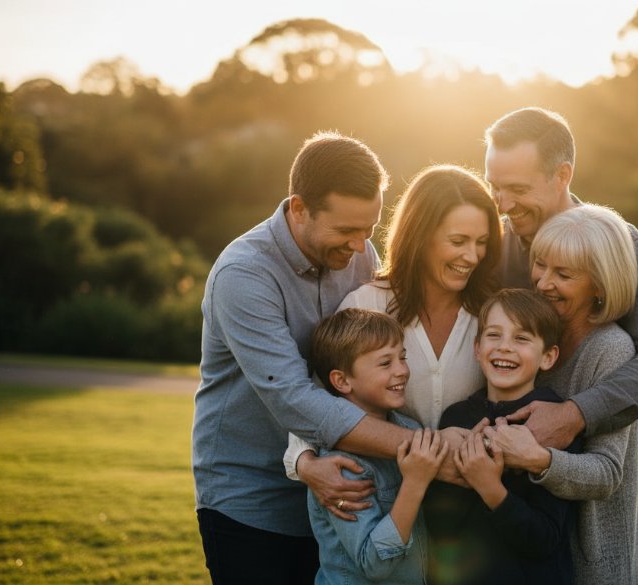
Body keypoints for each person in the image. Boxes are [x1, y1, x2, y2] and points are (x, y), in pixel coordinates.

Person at [192, 132, 464, 585]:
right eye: (345, 231)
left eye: (369, 230)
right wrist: (425, 454)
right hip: (253, 498)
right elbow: (293, 396)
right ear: (299, 209)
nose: (361, 247)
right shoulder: (244, 274)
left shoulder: (358, 255)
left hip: (349, 495)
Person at [483, 107, 638, 584]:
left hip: (607, 494)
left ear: (562, 175)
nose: (503, 203)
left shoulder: (627, 247)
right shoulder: (490, 248)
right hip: (511, 493)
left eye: (518, 188)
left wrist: (570, 416)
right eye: (495, 186)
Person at [284, 164, 502, 511]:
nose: (472, 256)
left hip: (471, 513)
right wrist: (303, 463)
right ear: (420, 235)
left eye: (481, 242)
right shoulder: (367, 303)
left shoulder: (493, 315)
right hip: (384, 508)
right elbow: (319, 400)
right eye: (458, 241)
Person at [486, 205, 638, 583]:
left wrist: (538, 458)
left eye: (564, 274)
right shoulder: (531, 335)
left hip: (589, 561)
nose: (542, 283)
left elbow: (607, 473)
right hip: (526, 555)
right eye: (540, 265)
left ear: (600, 285)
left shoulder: (611, 349)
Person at [424, 288, 580, 585]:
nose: (505, 347)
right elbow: (439, 526)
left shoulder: (553, 422)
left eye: (521, 338)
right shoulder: (456, 418)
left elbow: (544, 540)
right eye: (494, 335)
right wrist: (466, 472)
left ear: (548, 356)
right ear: (477, 348)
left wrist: (490, 487)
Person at [306, 308, 448, 585]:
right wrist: (415, 482)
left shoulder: (409, 429)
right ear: (342, 381)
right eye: (385, 363)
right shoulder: (342, 467)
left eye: (402, 357)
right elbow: (374, 564)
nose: (402, 370)